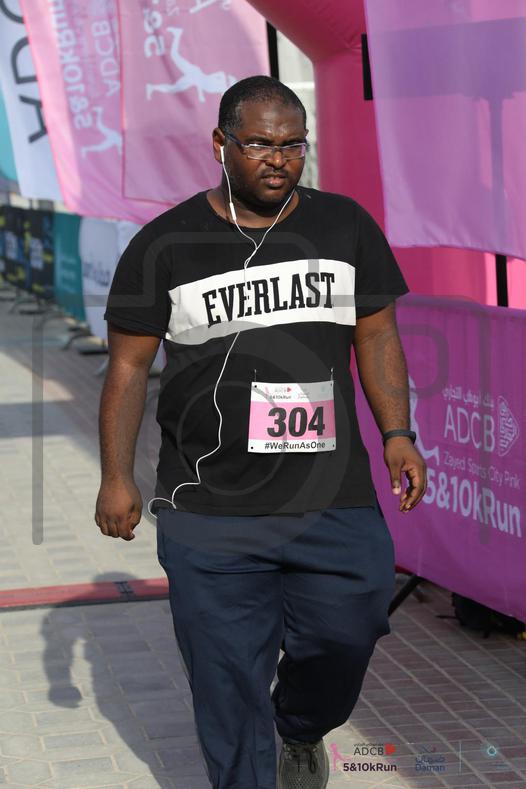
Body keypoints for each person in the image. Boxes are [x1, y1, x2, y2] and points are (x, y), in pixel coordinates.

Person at [96, 75, 427, 789]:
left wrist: (397, 431)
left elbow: (376, 335)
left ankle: (301, 727)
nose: (278, 160)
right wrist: (116, 476)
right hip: (208, 507)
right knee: (227, 682)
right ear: (221, 144)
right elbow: (127, 367)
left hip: (332, 496)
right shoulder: (164, 245)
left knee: (351, 627)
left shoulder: (345, 226)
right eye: (259, 145)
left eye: (293, 145)